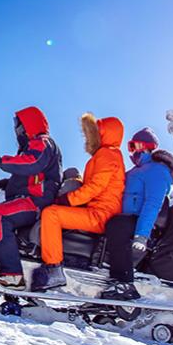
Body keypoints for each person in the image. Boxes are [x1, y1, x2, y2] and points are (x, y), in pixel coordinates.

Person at [29, 113, 126, 292]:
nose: (89, 137)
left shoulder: (107, 154)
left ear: (104, 134)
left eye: (94, 133)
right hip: (98, 211)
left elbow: (96, 187)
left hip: (100, 215)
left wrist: (68, 199)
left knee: (51, 214)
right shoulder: (105, 155)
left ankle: (54, 269)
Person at [0, 106, 63, 289]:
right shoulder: (33, 147)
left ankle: (12, 275)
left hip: (35, 202)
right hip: (28, 198)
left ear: (26, 125)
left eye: (18, 124)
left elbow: (32, 164)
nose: (16, 129)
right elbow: (27, 177)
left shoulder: (42, 142)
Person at [99, 127, 173, 301]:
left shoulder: (158, 170)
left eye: (136, 145)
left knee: (117, 226)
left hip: (138, 221)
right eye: (130, 146)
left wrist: (142, 235)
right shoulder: (136, 170)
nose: (133, 151)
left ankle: (124, 283)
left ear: (148, 147)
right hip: (127, 217)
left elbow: (153, 204)